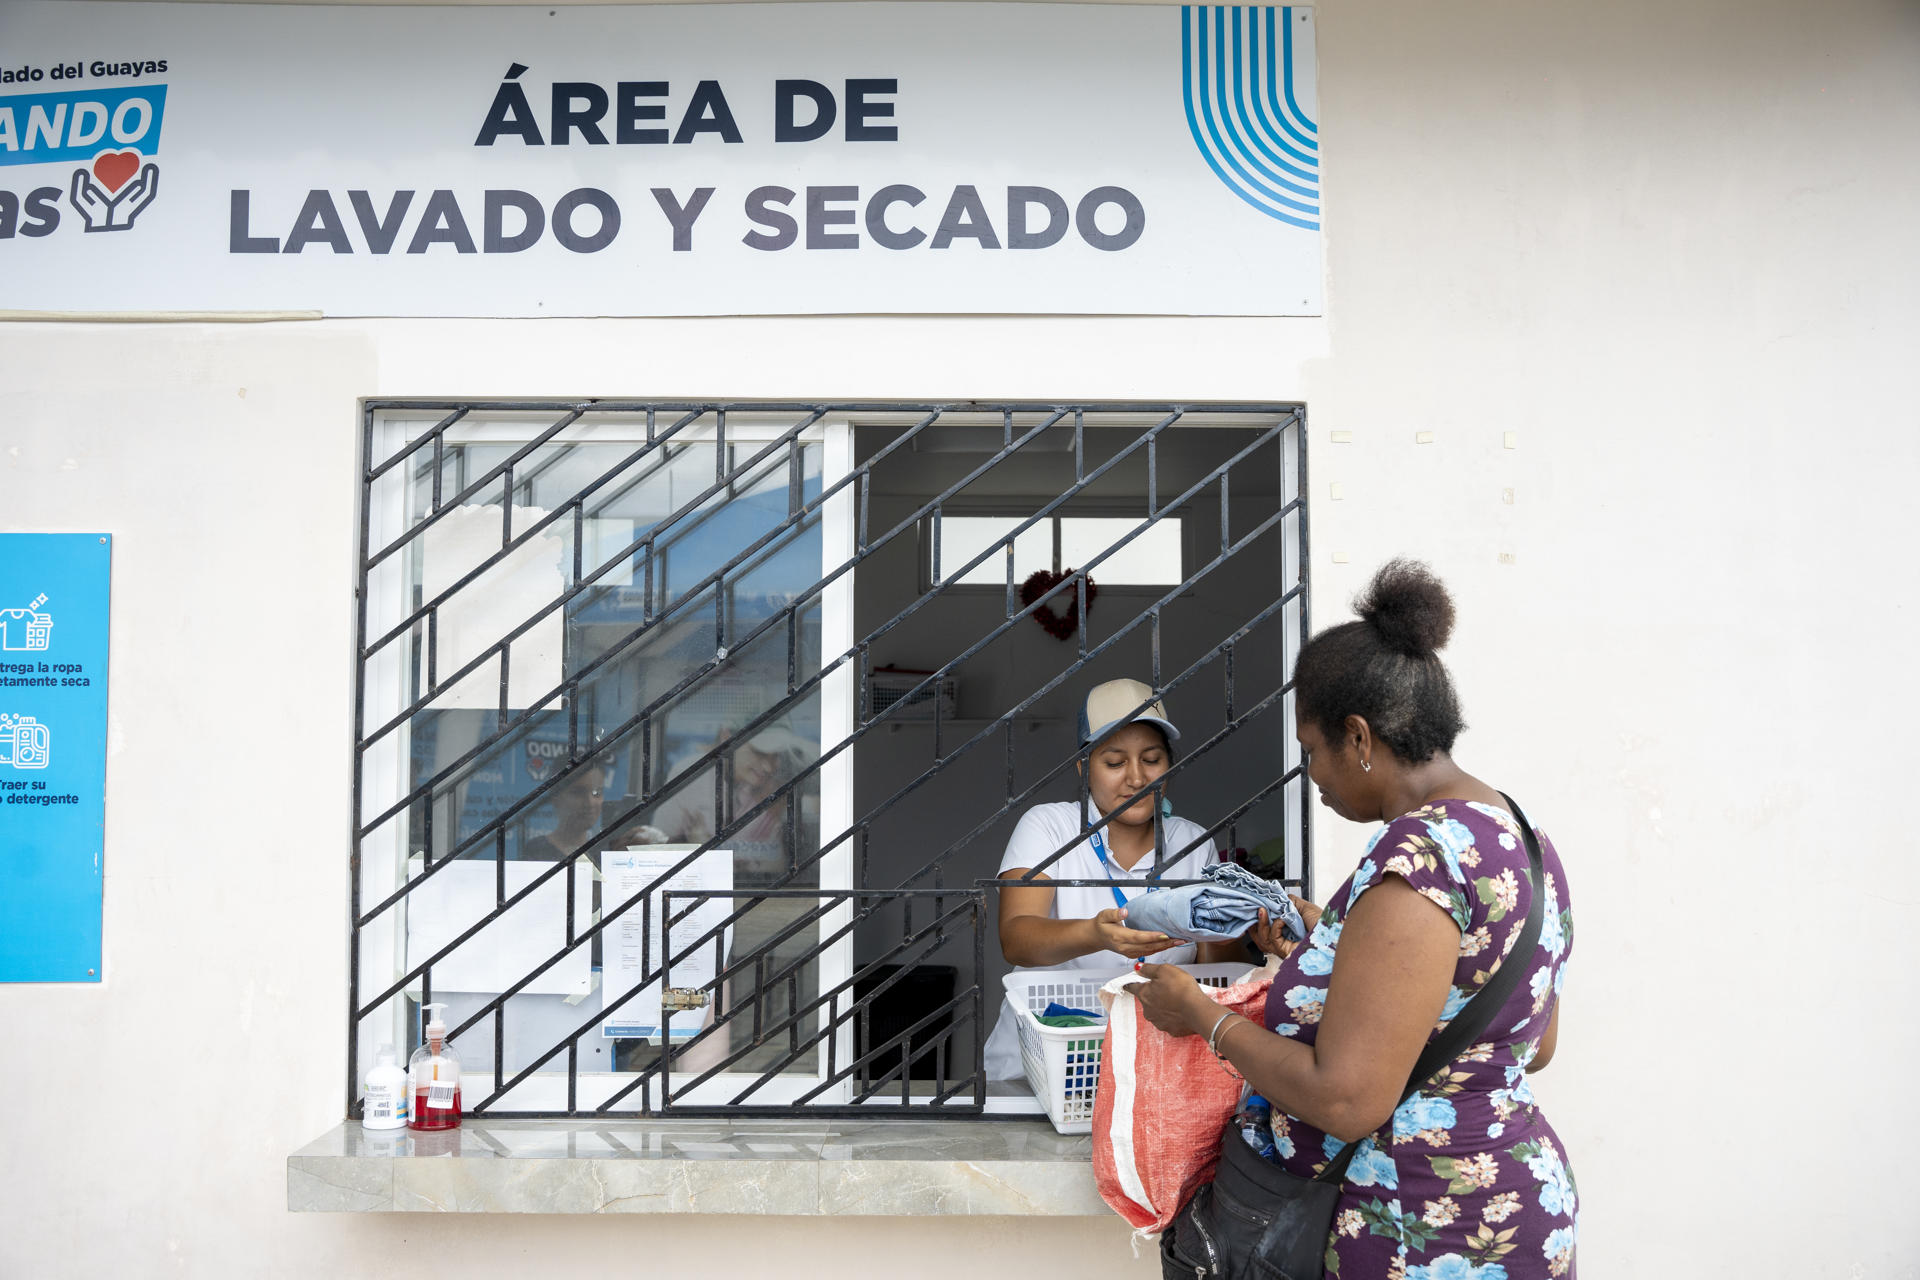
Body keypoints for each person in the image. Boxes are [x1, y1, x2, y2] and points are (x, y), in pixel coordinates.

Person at [1135, 561, 1578, 1278]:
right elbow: (1533, 1039)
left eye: (1313, 751)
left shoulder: (1419, 856)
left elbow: (1345, 1099)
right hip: (1517, 1206)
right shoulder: (1521, 841)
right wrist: (1332, 945)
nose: (1313, 774)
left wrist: (1200, 1015)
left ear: (1360, 738)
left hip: (1421, 1232)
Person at [986, 678, 1242, 1083]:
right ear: (1084, 767)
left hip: (1154, 1074)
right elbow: (1016, 939)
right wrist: (1098, 934)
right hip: (1038, 1071)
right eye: (1115, 762)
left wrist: (1241, 925)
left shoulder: (1193, 843)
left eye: (1152, 759)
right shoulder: (1048, 826)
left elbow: (1218, 969)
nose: (1137, 778)